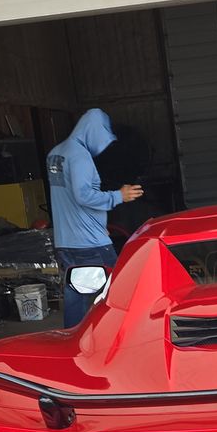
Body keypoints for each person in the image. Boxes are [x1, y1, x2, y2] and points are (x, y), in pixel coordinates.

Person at [46, 109, 143, 326]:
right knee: (121, 289)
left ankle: (72, 343)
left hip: (66, 241)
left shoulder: (56, 153)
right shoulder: (79, 155)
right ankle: (124, 335)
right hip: (89, 244)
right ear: (93, 131)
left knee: (76, 295)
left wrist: (99, 223)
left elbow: (67, 198)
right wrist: (119, 195)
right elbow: (82, 195)